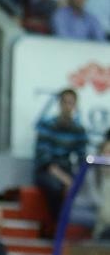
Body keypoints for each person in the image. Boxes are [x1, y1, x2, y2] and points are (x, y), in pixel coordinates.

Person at [34, 88, 87, 222]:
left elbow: (82, 157)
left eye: (71, 103)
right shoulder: (47, 125)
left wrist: (78, 178)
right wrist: (67, 180)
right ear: (59, 104)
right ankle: (56, 227)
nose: (67, 106)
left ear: (75, 105)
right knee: (56, 187)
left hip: (66, 168)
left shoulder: (79, 129)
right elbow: (44, 160)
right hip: (46, 171)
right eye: (65, 102)